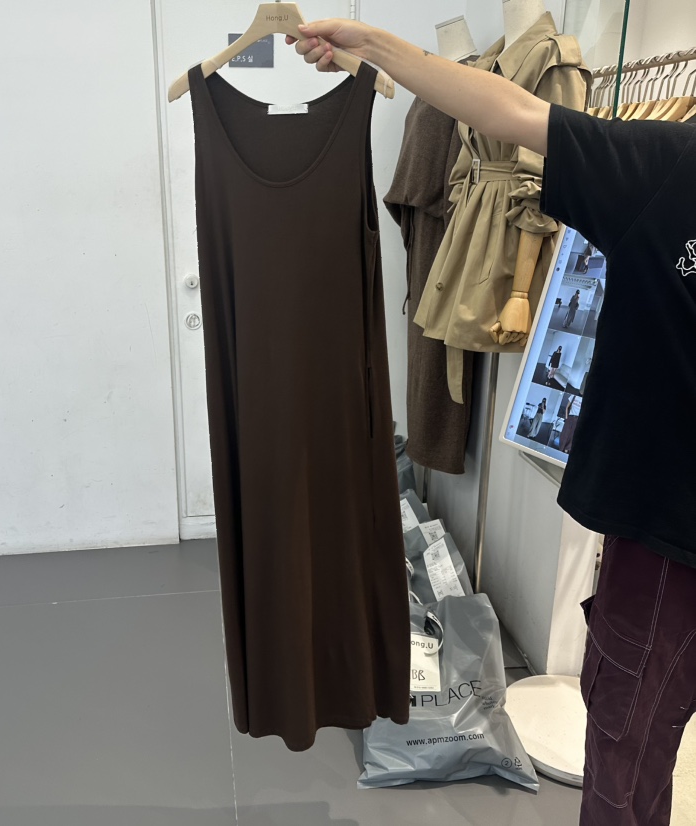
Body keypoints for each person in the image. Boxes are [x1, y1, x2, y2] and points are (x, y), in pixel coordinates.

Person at [287, 20, 696, 826]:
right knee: (628, 749)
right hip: (665, 540)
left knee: (630, 745)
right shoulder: (671, 167)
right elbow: (513, 113)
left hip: (659, 532)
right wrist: (377, 47)